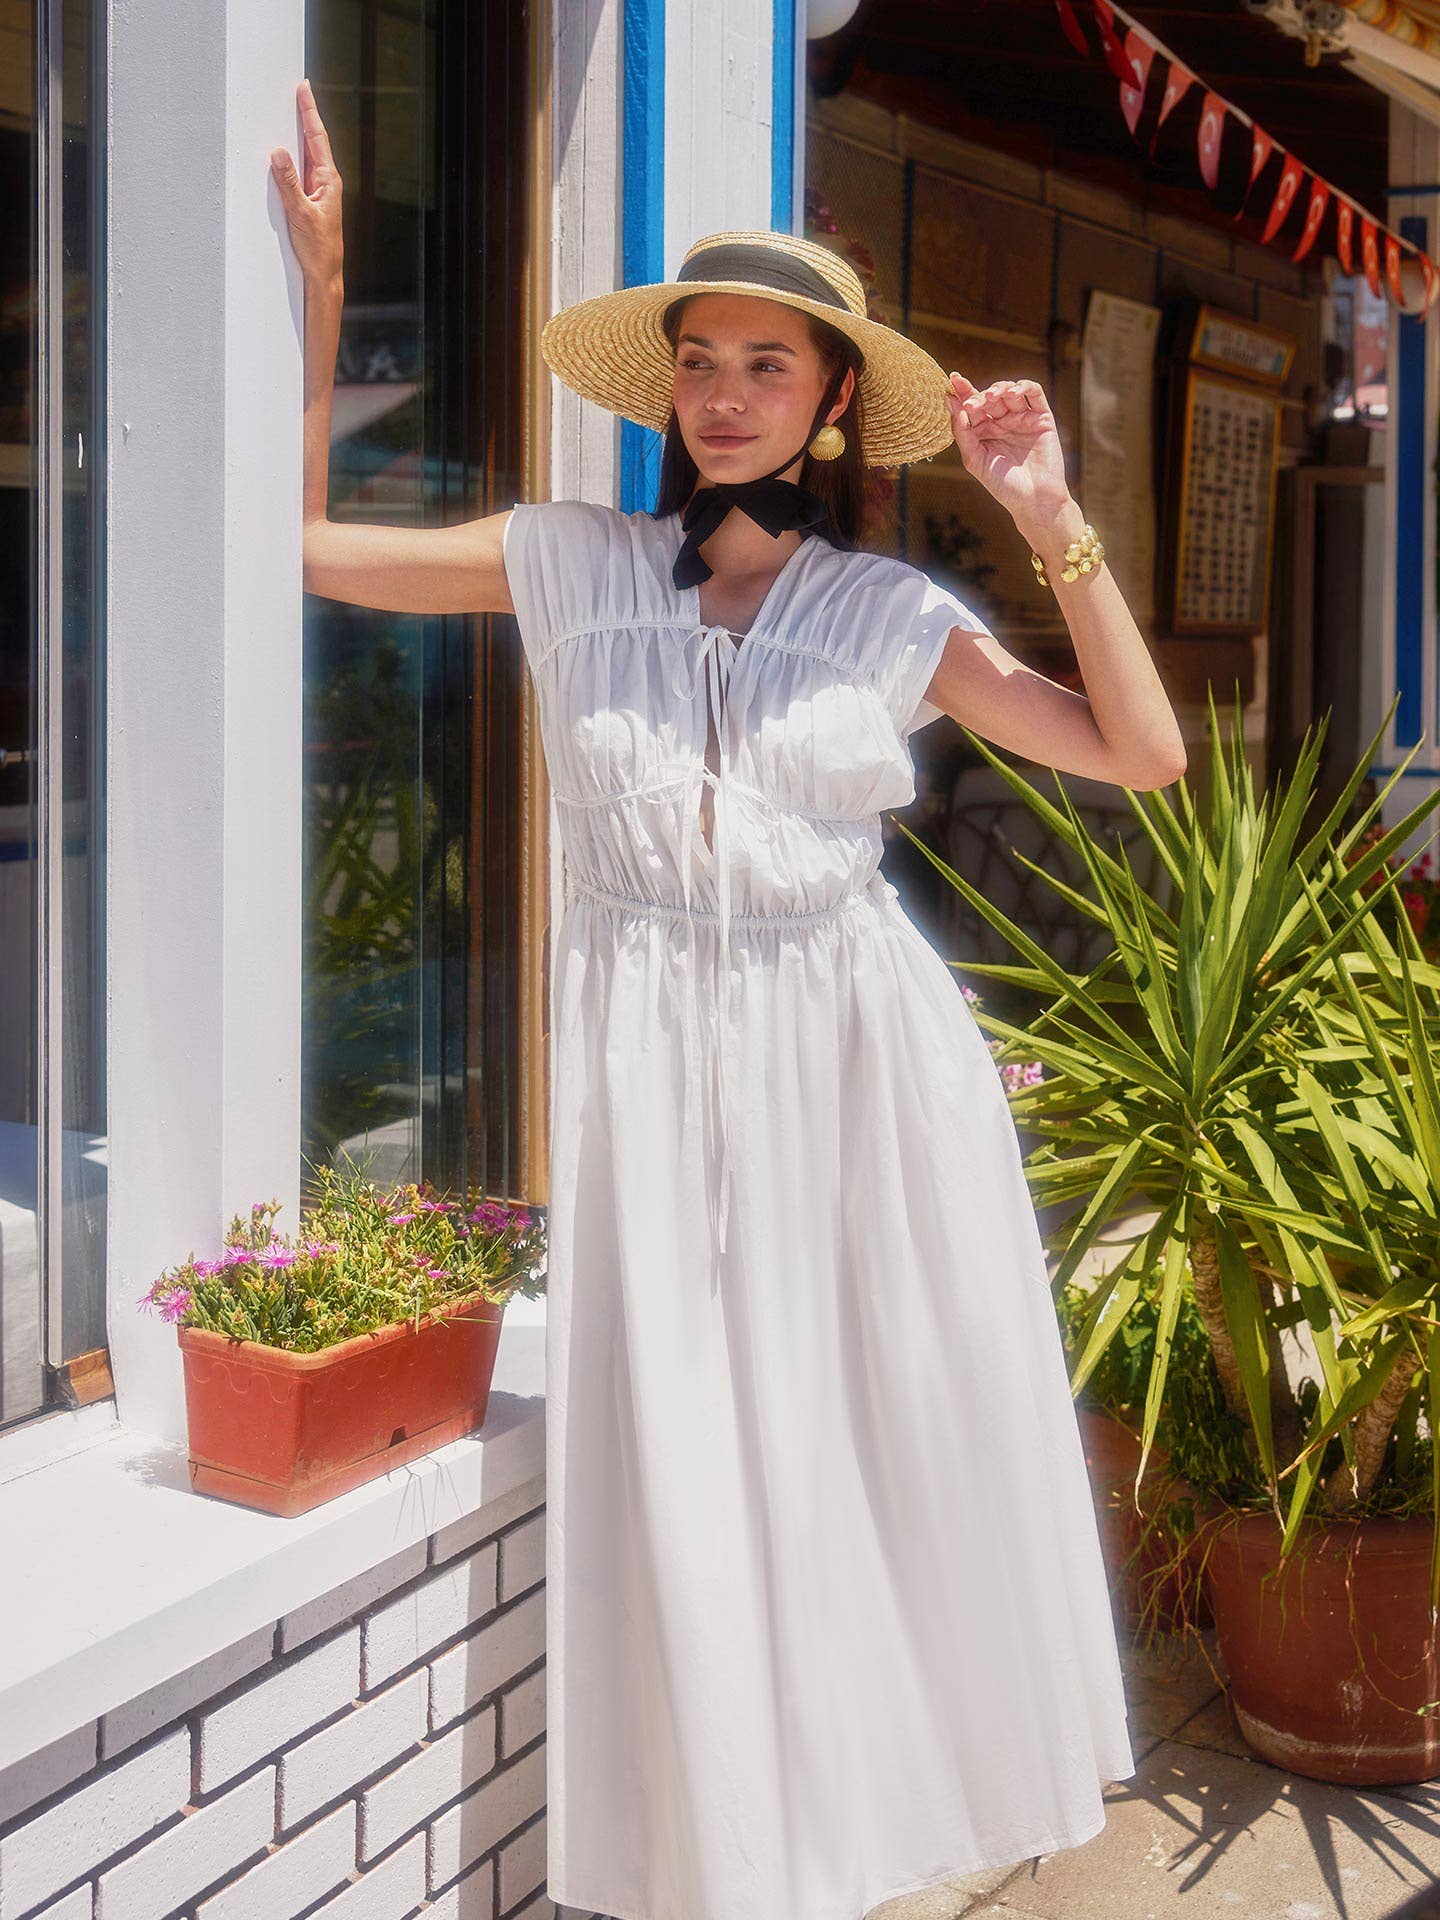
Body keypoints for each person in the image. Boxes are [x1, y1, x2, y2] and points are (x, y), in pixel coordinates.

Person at [274, 76, 1184, 1920]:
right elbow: (319, 557)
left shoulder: (889, 612)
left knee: (854, 1472)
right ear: (669, 383)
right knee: (694, 1475)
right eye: (705, 358)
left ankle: (856, 1843)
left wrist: (1048, 514)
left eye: (772, 363)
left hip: (855, 1087)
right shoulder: (571, 562)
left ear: (834, 399)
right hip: (653, 1074)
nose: (730, 390)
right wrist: (321, 298)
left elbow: (1142, 755)